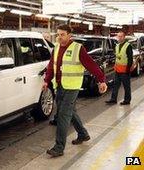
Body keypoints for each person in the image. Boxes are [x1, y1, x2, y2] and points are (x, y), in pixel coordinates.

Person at [42, 24, 107, 157]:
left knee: (63, 115)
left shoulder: (78, 48)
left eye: (62, 35)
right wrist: (46, 80)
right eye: (58, 34)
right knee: (69, 112)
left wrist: (101, 80)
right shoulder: (56, 47)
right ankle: (83, 134)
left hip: (72, 87)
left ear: (69, 35)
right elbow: (51, 66)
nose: (59, 37)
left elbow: (91, 65)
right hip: (59, 86)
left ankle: (59, 147)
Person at [105, 31, 133, 105]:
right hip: (117, 70)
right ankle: (113, 99)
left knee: (126, 86)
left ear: (124, 37)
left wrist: (127, 70)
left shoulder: (128, 46)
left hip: (125, 70)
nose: (119, 38)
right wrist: (115, 66)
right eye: (118, 36)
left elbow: (130, 59)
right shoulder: (117, 46)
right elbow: (117, 58)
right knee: (115, 85)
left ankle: (127, 100)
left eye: (121, 36)